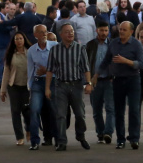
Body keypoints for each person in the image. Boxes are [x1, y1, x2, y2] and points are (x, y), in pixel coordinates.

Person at [97, 21, 143, 150]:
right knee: (119, 111)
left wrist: (127, 61)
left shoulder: (136, 44)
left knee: (134, 110)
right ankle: (120, 139)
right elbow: (106, 61)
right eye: (120, 29)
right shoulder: (114, 44)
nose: (121, 32)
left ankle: (134, 139)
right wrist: (95, 76)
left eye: (124, 30)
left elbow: (142, 64)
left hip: (133, 80)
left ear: (131, 31)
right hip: (117, 80)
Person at [45, 23, 93, 151]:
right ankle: (61, 141)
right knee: (60, 115)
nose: (70, 33)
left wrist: (88, 83)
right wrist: (47, 88)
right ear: (61, 34)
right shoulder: (55, 50)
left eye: (72, 31)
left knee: (80, 114)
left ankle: (80, 135)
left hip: (76, 85)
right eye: (67, 31)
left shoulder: (80, 48)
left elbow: (86, 68)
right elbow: (49, 70)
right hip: (60, 86)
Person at [26, 24, 55, 150]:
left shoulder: (55, 47)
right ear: (35, 35)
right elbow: (30, 70)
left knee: (54, 111)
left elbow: (60, 66)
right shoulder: (32, 50)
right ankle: (34, 141)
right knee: (34, 110)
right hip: (37, 83)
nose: (43, 34)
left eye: (45, 32)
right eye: (40, 32)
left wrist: (47, 71)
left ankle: (58, 139)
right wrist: (30, 86)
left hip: (53, 82)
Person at [86, 20, 114, 144]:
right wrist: (87, 81)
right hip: (94, 81)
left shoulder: (113, 44)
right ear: (96, 30)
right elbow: (86, 64)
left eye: (106, 30)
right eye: (101, 30)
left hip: (109, 80)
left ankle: (108, 133)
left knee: (110, 108)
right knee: (96, 110)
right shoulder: (90, 45)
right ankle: (100, 133)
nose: (104, 33)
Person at [1, 31, 32, 146]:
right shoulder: (11, 55)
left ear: (24, 40)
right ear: (13, 42)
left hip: (27, 87)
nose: (18, 41)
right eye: (16, 39)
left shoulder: (30, 53)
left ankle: (28, 129)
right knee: (15, 111)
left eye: (20, 39)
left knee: (27, 111)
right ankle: (19, 137)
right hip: (13, 86)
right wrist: (3, 90)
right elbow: (6, 72)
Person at [0, 1, 15, 86]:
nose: (8, 10)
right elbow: (3, 29)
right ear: (2, 9)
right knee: (0, 62)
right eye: (7, 8)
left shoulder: (1, 16)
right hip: (1, 42)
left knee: (1, 61)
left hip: (2, 41)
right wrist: (12, 27)